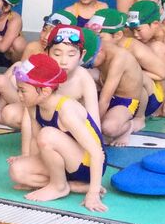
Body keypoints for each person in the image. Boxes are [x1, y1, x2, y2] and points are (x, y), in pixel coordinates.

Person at [7, 54, 107, 213]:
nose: (19, 95)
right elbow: (35, 141)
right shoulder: (33, 106)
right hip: (63, 163)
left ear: (45, 91)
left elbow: (97, 153)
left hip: (86, 164)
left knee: (47, 135)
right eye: (18, 89)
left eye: (22, 90)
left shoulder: (66, 110)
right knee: (17, 171)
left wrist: (93, 194)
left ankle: (59, 186)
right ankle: (70, 185)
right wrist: (30, 166)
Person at [87, 8, 148, 145]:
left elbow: (105, 100)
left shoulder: (119, 58)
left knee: (108, 128)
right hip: (106, 95)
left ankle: (131, 125)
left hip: (124, 101)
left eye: (99, 37)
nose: (94, 41)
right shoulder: (98, 50)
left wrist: (92, 129)